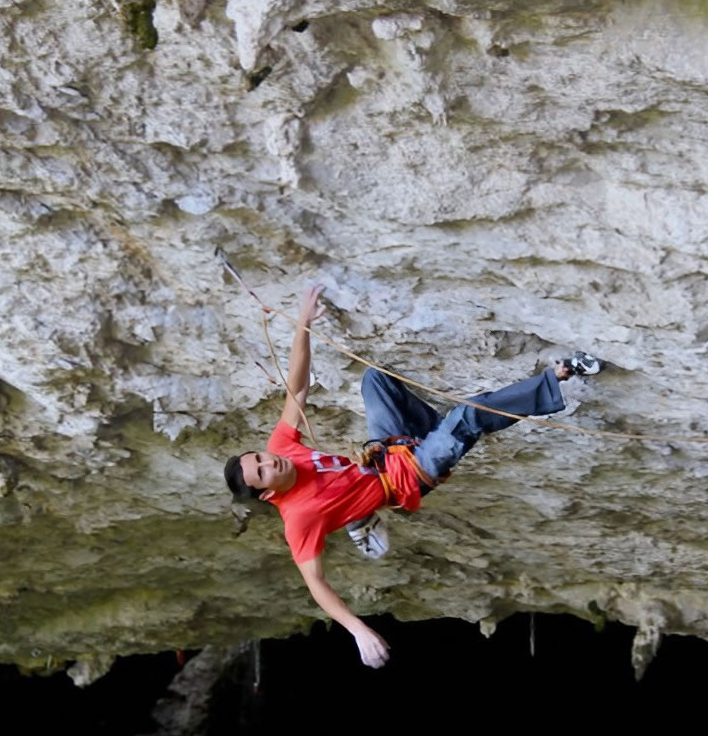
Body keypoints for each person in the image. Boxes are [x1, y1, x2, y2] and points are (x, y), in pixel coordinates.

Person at [225, 284, 599, 668]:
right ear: (268, 495)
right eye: (263, 473)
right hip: (407, 478)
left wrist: (302, 324)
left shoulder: (281, 447)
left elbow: (298, 388)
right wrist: (358, 630)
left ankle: (411, 461)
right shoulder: (300, 519)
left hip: (386, 452)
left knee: (375, 380)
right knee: (469, 417)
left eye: (261, 458)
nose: (271, 463)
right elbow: (316, 584)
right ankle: (562, 374)